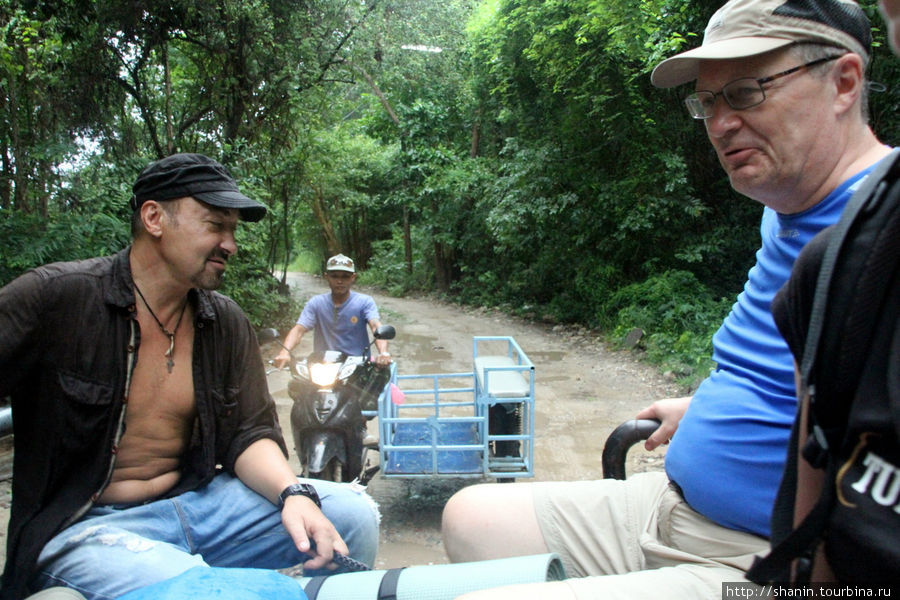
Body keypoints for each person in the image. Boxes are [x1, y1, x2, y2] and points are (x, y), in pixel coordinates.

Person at [440, 1, 893, 599]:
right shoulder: (785, 207)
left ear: (843, 82)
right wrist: (704, 405)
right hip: (672, 507)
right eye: (708, 102)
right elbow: (774, 360)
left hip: (764, 560)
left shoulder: (881, 235)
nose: (722, 122)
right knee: (470, 516)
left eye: (746, 92)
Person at [0, 153, 379, 600]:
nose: (230, 243)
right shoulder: (57, 298)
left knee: (352, 513)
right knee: (219, 591)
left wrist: (291, 492)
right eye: (215, 225)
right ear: (154, 217)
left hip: (199, 504)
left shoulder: (224, 321)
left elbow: (250, 431)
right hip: (88, 527)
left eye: (233, 229)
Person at [273, 254, 391, 369]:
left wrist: (383, 352)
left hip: (357, 367)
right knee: (297, 385)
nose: (340, 281)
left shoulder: (364, 302)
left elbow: (376, 326)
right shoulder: (316, 303)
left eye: (345, 276)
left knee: (376, 386)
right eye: (334, 276)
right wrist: (285, 352)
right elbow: (299, 330)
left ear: (353, 278)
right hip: (323, 365)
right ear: (326, 277)